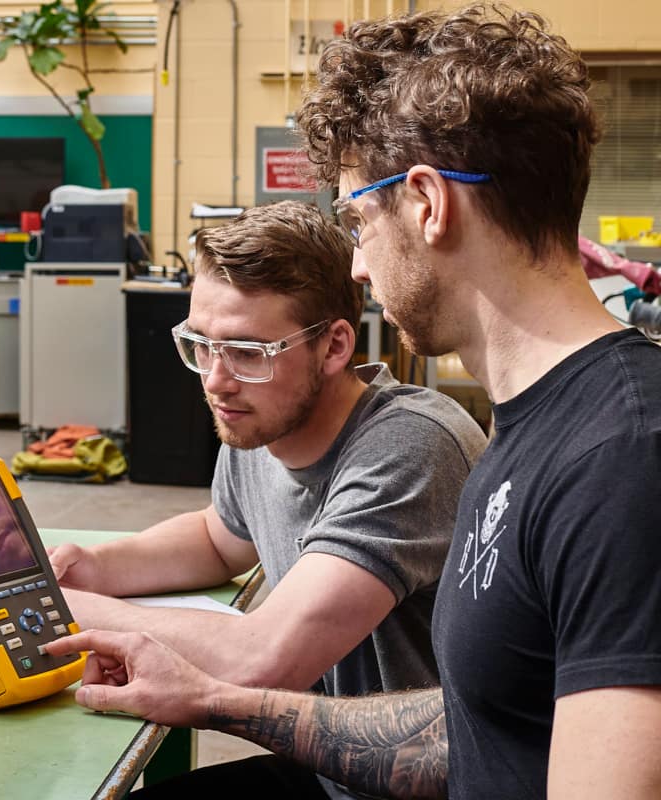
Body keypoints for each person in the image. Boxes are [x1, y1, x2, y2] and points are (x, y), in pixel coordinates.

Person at [45, 4, 661, 798]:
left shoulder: (620, 456)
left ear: (428, 204)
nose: (360, 267)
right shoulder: (532, 432)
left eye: (358, 219)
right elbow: (487, 726)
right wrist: (218, 700)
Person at [47, 199, 486, 797]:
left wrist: (54, 606)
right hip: (332, 770)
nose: (216, 380)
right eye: (203, 344)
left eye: (248, 352)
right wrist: (97, 567)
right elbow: (218, 537)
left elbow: (263, 659)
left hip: (419, 784)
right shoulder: (263, 419)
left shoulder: (409, 447)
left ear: (334, 347)